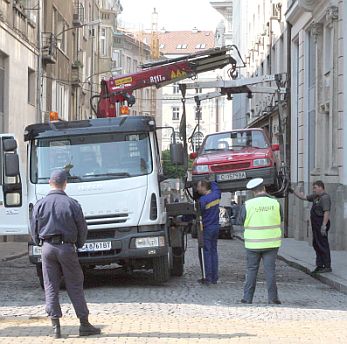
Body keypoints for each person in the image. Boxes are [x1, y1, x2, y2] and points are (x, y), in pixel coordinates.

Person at [30, 170, 101, 338]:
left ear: (50, 183)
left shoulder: (40, 204)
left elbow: (33, 229)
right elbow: (82, 228)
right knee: (75, 284)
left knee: (50, 285)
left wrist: (39, 243)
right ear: (65, 184)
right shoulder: (72, 203)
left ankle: (56, 327)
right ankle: (84, 324)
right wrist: (78, 244)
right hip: (66, 247)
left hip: (47, 247)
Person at [239, 178, 282, 304]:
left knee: (251, 270)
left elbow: (241, 221)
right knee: (270, 271)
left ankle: (247, 298)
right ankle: (273, 298)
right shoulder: (275, 203)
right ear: (264, 189)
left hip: (253, 244)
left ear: (253, 192)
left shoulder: (248, 205)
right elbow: (281, 218)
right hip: (271, 243)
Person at [291, 180, 332, 273]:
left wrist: (324, 226)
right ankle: (320, 265)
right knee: (316, 244)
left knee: (323, 244)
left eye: (315, 188)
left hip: (321, 224)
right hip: (315, 225)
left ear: (321, 187)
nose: (313, 190)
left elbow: (326, 212)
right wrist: (294, 191)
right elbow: (304, 197)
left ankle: (327, 266)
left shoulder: (325, 197)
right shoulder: (315, 197)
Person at [196, 179, 221, 285]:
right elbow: (215, 186)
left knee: (207, 253)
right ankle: (214, 278)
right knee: (214, 252)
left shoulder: (203, 200)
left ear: (203, 186)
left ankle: (208, 278)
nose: (197, 189)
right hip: (216, 227)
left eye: (198, 186)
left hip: (207, 228)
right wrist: (211, 179)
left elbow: (197, 213)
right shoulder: (216, 194)